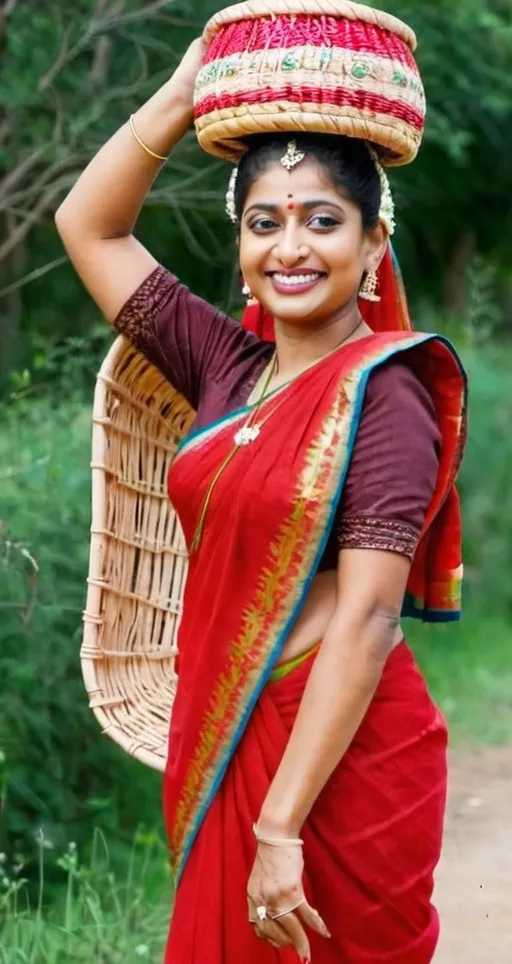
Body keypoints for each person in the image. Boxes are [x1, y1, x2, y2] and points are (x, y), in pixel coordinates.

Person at [55, 35, 467, 964]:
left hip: (336, 764)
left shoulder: (386, 390)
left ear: (372, 247)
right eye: (264, 221)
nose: (289, 247)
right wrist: (181, 92)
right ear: (240, 242)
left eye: (322, 222)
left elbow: (367, 618)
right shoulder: (222, 368)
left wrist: (280, 825)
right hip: (231, 733)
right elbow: (89, 227)